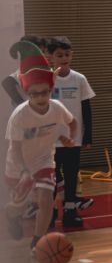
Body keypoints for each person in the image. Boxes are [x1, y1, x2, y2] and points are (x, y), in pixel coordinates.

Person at [4, 42, 75, 252]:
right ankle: (11, 216)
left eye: (44, 93)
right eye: (35, 94)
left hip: (44, 161)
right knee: (19, 206)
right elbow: (15, 149)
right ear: (28, 94)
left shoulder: (57, 108)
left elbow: (72, 122)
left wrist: (69, 137)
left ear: (50, 90)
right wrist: (24, 171)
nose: (41, 98)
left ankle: (37, 241)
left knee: (45, 200)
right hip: (18, 166)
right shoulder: (19, 116)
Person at [46, 36, 96, 229]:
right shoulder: (48, 79)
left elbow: (86, 108)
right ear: (50, 57)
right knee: (51, 177)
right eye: (59, 55)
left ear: (71, 55)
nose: (64, 58)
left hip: (73, 139)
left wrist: (88, 135)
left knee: (71, 175)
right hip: (52, 139)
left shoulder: (79, 79)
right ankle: (49, 212)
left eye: (67, 54)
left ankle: (70, 212)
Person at [2, 35, 48, 106]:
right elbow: (7, 82)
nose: (41, 55)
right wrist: (22, 104)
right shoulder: (20, 74)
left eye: (43, 52)